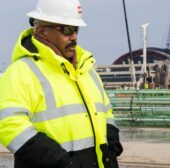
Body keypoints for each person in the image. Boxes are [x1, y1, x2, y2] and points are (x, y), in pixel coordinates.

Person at [0, 0, 123, 167]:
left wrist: (111, 139)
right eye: (67, 30)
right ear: (42, 31)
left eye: (76, 30)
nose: (74, 36)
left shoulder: (87, 70)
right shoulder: (21, 72)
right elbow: (9, 125)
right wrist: (59, 161)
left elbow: (105, 110)